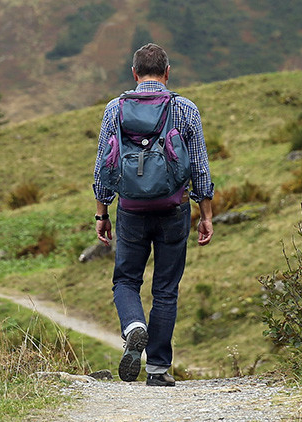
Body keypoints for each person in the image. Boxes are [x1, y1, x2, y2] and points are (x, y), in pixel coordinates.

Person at [92, 43, 214, 387]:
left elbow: (104, 164)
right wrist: (205, 214)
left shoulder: (115, 109)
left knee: (126, 280)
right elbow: (200, 167)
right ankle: (158, 369)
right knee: (166, 288)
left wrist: (102, 212)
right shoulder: (185, 109)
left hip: (130, 209)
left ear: (134, 74)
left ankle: (134, 326)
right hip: (174, 208)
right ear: (167, 72)